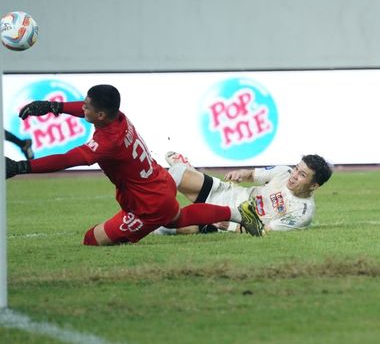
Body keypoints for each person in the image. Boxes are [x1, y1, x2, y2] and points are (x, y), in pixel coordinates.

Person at [4, 85, 266, 245]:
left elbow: (67, 159)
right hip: (159, 184)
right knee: (177, 219)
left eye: (86, 107)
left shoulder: (108, 142)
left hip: (147, 204)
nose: (81, 109)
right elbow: (87, 114)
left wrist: (20, 168)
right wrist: (54, 106)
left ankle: (234, 214)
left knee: (91, 239)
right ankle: (237, 213)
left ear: (101, 115)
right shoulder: (118, 118)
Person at [156, 151, 333, 235]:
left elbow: (266, 232)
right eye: (296, 169)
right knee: (176, 174)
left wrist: (232, 227)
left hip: (230, 220)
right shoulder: (284, 172)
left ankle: (189, 170)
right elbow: (252, 174)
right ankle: (186, 170)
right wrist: (241, 174)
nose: (294, 176)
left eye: (302, 175)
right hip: (228, 193)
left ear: (314, 186)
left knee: (163, 228)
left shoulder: (301, 212)